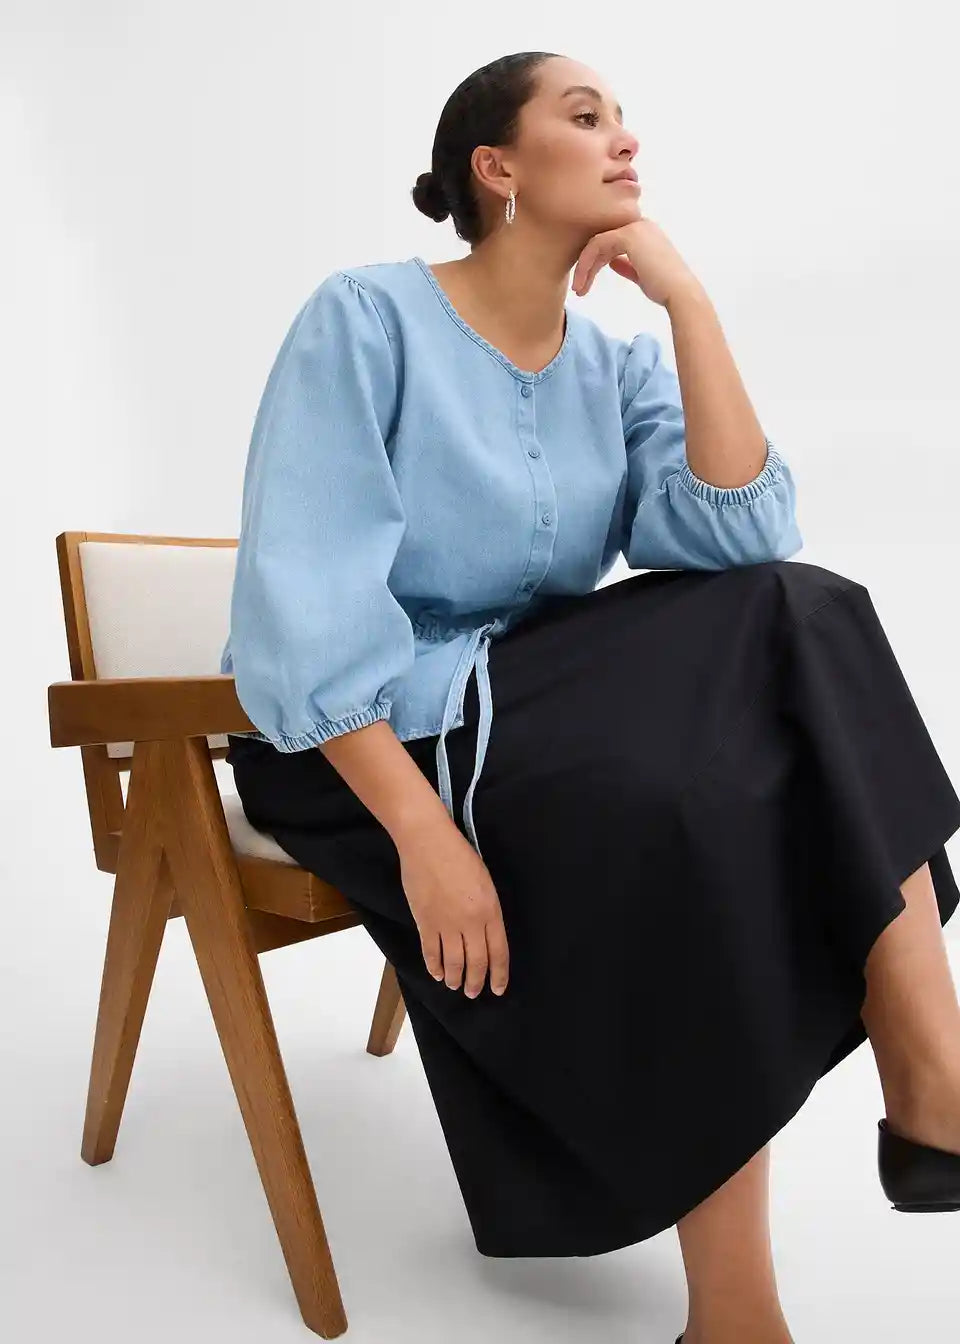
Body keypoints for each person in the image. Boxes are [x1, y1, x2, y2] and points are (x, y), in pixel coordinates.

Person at [220, 51, 960, 1344]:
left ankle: (904, 1109)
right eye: (585, 116)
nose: (624, 139)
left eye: (624, 118)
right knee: (724, 760)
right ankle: (906, 1129)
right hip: (369, 744)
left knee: (792, 623)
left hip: (540, 706)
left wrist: (688, 303)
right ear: (496, 167)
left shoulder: (612, 364)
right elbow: (307, 622)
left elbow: (742, 537)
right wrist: (426, 837)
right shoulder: (368, 319)